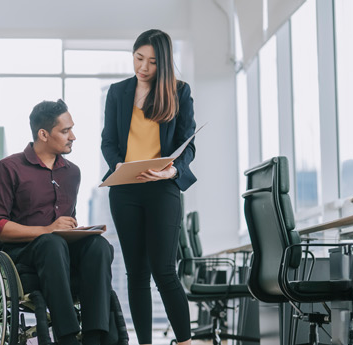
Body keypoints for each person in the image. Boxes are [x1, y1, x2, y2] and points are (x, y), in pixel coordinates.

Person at [0, 100, 116, 345]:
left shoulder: (72, 173)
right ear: (43, 134)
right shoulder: (8, 169)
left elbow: (66, 222)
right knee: (51, 243)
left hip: (60, 252)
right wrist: (47, 230)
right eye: (65, 131)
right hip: (22, 257)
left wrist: (76, 231)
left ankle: (95, 337)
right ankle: (66, 337)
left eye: (72, 129)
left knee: (99, 246)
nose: (72, 136)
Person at [100, 29, 197, 345]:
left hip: (162, 189)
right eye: (138, 58)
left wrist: (172, 171)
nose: (142, 67)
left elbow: (188, 144)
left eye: (152, 62)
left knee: (164, 271)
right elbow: (109, 141)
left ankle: (184, 341)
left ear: (164, 63)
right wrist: (117, 164)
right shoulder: (118, 92)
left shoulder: (179, 93)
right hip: (125, 189)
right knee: (136, 274)